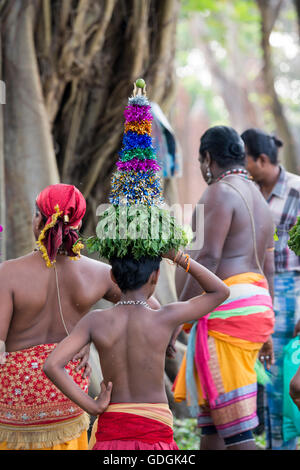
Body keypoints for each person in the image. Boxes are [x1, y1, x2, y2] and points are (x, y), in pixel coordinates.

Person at [0, 183, 160, 451]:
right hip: (68, 393)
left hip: (15, 404)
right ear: (79, 222)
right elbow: (150, 306)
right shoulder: (100, 273)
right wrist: (89, 335)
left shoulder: (7, 273)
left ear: (39, 218)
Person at [43, 250, 229, 451]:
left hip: (111, 431)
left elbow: (52, 365)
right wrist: (178, 257)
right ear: (156, 275)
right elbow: (220, 291)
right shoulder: (165, 317)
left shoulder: (94, 320)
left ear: (113, 276)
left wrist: (92, 406)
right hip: (155, 434)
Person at [172, 126, 275, 450]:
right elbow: (267, 266)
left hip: (227, 312)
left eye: (201, 161)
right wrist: (265, 325)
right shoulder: (259, 197)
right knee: (212, 429)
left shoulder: (218, 192)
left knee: (237, 435)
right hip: (255, 304)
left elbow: (210, 257)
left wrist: (177, 316)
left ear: (207, 158)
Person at [241, 128, 300, 450]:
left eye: (246, 160)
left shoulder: (296, 190)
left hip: (289, 291)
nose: (243, 166)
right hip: (256, 290)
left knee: (281, 377)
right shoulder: (248, 190)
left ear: (261, 160)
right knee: (264, 375)